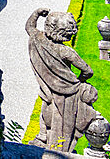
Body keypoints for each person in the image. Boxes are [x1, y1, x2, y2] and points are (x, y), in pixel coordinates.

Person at [26, 8, 100, 151]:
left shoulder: (38, 39)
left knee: (46, 110)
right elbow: (87, 71)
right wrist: (77, 81)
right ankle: (60, 147)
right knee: (63, 122)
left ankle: (43, 137)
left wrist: (36, 13)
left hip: (49, 88)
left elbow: (29, 26)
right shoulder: (66, 52)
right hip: (69, 92)